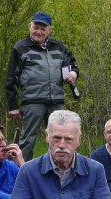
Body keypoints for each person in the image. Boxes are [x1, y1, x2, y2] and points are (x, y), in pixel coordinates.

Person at [6, 12, 79, 161]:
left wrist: (73, 73)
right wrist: (13, 105)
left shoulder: (58, 46)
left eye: (43, 28)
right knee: (27, 140)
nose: (38, 31)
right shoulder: (20, 48)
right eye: (36, 27)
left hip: (56, 102)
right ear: (30, 26)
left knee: (59, 138)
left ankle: (58, 168)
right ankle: (21, 171)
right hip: (32, 102)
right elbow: (11, 77)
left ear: (49, 30)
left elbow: (71, 63)